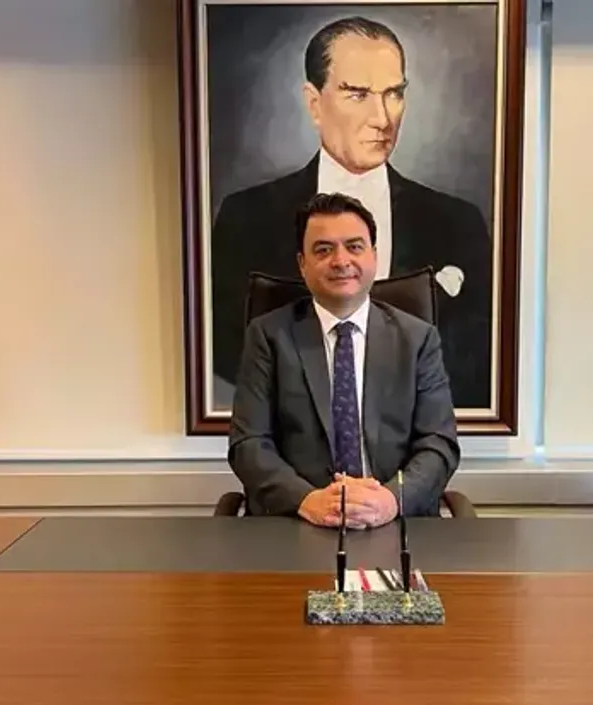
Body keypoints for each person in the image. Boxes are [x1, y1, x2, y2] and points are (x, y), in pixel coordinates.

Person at [209, 15, 492, 410]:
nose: (382, 119)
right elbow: (226, 350)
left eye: (393, 93)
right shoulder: (246, 218)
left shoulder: (458, 224)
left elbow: (476, 358)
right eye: (358, 94)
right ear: (314, 104)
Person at [227, 192, 460, 528]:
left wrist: (390, 500)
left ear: (374, 256)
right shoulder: (268, 336)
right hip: (298, 522)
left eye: (354, 246)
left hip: (394, 524)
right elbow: (248, 444)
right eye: (323, 250)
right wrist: (307, 500)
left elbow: (438, 443)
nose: (341, 260)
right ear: (302, 264)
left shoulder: (418, 339)